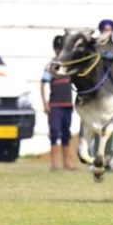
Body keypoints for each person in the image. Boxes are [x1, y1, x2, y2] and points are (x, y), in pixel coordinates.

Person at [41, 35, 75, 171]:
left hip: (68, 104)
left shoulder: (70, 65)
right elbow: (43, 84)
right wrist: (44, 103)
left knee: (66, 133)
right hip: (55, 104)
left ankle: (67, 163)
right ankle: (54, 163)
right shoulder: (51, 66)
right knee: (54, 132)